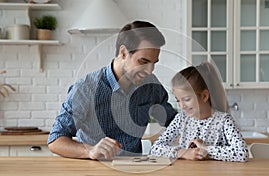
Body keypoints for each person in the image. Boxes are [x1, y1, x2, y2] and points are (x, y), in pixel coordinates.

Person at [48, 21, 177, 160]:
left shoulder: (151, 86)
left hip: (135, 171)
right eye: (143, 62)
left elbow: (175, 124)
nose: (150, 70)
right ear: (123, 53)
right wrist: (89, 151)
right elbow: (55, 140)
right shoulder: (86, 89)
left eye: (154, 63)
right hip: (92, 173)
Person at [150, 61, 248, 162]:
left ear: (204, 96)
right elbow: (155, 148)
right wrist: (184, 153)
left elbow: (241, 153)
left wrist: (206, 149)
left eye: (187, 99)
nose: (181, 106)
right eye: (178, 100)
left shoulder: (224, 121)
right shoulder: (181, 119)